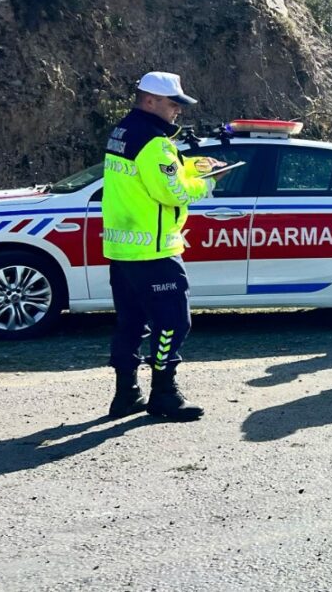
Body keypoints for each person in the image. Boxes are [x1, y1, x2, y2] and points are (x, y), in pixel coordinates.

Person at [102, 71, 225, 421]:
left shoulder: (123, 131)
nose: (177, 111)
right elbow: (173, 191)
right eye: (173, 104)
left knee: (130, 323)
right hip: (154, 251)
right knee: (173, 322)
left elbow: (161, 172)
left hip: (123, 250)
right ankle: (164, 394)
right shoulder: (154, 142)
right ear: (150, 100)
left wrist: (195, 166)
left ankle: (126, 394)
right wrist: (209, 182)